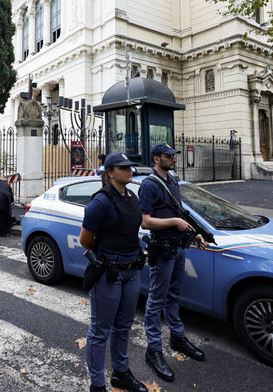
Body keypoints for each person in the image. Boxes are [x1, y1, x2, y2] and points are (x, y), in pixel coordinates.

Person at [79, 152, 147, 392]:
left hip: (131, 272)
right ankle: (97, 385)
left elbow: (131, 230)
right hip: (109, 274)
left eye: (130, 166)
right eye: (123, 167)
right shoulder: (100, 202)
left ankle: (121, 374)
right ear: (110, 173)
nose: (130, 169)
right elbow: (86, 240)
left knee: (123, 326)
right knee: (100, 331)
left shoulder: (132, 197)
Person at [139, 142, 207, 382]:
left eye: (174, 156)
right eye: (169, 156)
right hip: (163, 248)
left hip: (179, 246)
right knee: (156, 299)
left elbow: (178, 213)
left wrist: (193, 232)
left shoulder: (172, 180)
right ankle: (153, 351)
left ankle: (177, 338)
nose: (174, 159)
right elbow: (145, 222)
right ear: (157, 159)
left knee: (173, 296)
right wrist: (175, 224)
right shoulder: (149, 185)